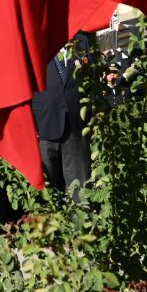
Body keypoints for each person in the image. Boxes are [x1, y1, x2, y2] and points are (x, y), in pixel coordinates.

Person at [35, 35, 91, 194]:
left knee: (77, 178)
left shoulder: (81, 40)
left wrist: (90, 116)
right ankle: (48, 216)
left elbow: (90, 79)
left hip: (75, 117)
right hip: (43, 118)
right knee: (46, 177)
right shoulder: (35, 38)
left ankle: (78, 216)